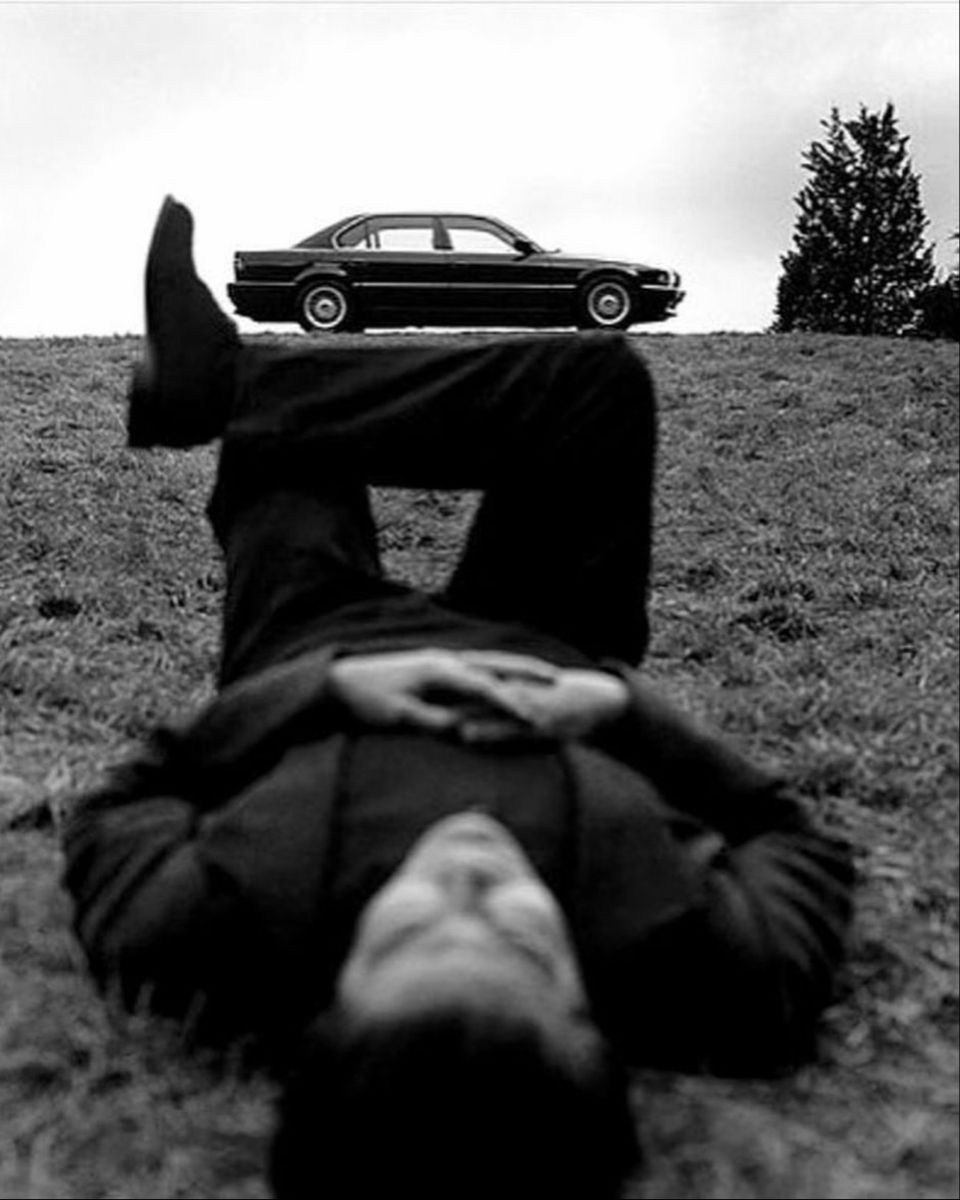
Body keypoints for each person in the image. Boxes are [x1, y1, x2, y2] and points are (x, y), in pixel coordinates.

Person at [63, 197, 853, 1199]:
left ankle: (223, 386)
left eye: (412, 930)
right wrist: (616, 709)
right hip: (545, 639)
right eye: (523, 939)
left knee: (288, 449)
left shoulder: (208, 934)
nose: (469, 876)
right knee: (600, 379)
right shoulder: (712, 968)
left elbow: (123, 805)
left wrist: (325, 689)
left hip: (314, 640)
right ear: (589, 1011)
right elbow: (792, 837)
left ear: (330, 999)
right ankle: (224, 384)